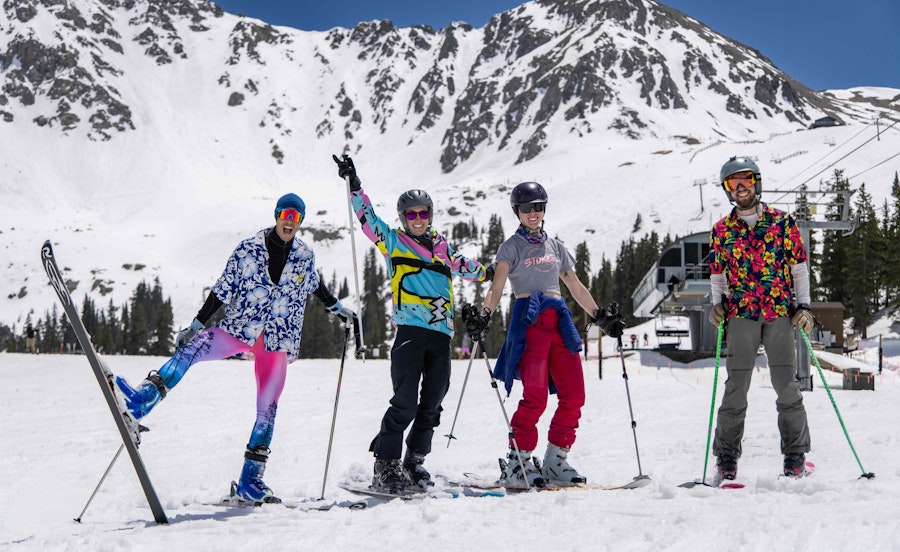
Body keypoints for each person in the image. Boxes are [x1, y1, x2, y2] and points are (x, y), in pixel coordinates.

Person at [112, 193, 355, 503]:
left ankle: (251, 480)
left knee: (268, 408)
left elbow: (316, 287)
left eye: (296, 217)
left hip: (276, 341)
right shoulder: (248, 249)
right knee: (194, 348)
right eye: (285, 214)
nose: (289, 221)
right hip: (241, 328)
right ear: (276, 215)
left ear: (301, 222)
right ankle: (143, 399)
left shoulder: (304, 257)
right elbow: (222, 289)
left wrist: (338, 310)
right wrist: (197, 325)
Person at [333, 154, 491, 494]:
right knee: (404, 401)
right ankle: (386, 464)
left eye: (423, 213)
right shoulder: (392, 241)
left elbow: (465, 265)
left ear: (429, 215)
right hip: (409, 334)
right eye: (411, 214)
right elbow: (367, 220)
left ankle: (414, 460)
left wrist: (489, 273)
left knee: (432, 403)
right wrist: (355, 186)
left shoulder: (442, 249)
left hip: (441, 336)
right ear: (404, 218)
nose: (417, 219)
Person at [465, 181, 624, 488]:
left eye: (539, 207)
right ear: (517, 211)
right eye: (527, 208)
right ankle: (518, 462)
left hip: (559, 321)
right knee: (535, 397)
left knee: (574, 394)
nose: (533, 213)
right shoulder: (510, 247)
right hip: (529, 321)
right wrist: (485, 314)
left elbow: (574, 286)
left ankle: (555, 461)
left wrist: (599, 315)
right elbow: (497, 287)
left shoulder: (556, 247)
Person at [708, 157, 814, 480]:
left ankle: (795, 455)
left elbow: (799, 268)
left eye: (745, 181)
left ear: (757, 182)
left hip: (780, 312)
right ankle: (726, 457)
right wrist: (718, 305)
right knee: (736, 387)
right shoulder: (721, 231)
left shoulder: (783, 223)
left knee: (786, 385)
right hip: (741, 315)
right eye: (732, 183)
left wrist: (804, 305)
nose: (740, 188)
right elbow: (718, 275)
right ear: (728, 190)